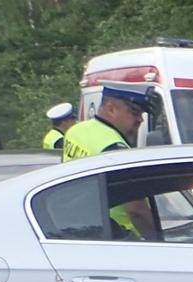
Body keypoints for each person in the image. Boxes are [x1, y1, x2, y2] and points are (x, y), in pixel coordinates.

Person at [60, 82, 159, 240]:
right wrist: (157, 240)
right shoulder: (115, 149)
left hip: (82, 227)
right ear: (111, 109)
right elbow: (136, 210)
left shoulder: (76, 131)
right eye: (134, 112)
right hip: (119, 234)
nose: (140, 119)